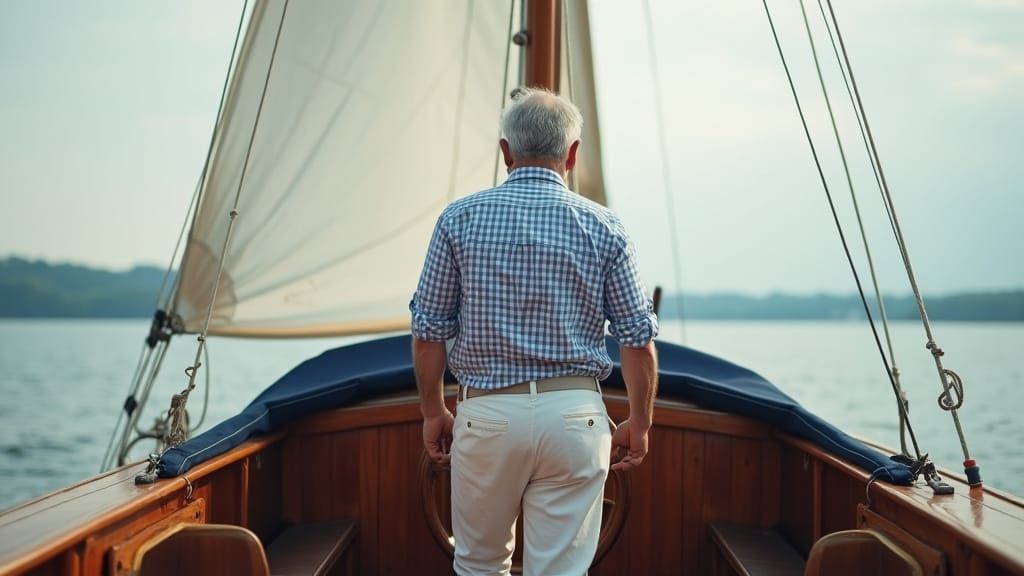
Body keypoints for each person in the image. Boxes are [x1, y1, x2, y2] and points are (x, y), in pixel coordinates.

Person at [410, 87, 658, 576]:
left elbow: (428, 333)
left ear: (505, 151)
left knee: (479, 566)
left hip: (486, 416)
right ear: (572, 154)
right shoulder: (605, 227)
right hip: (575, 420)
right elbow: (637, 341)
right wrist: (640, 422)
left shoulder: (458, 220)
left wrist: (434, 411)